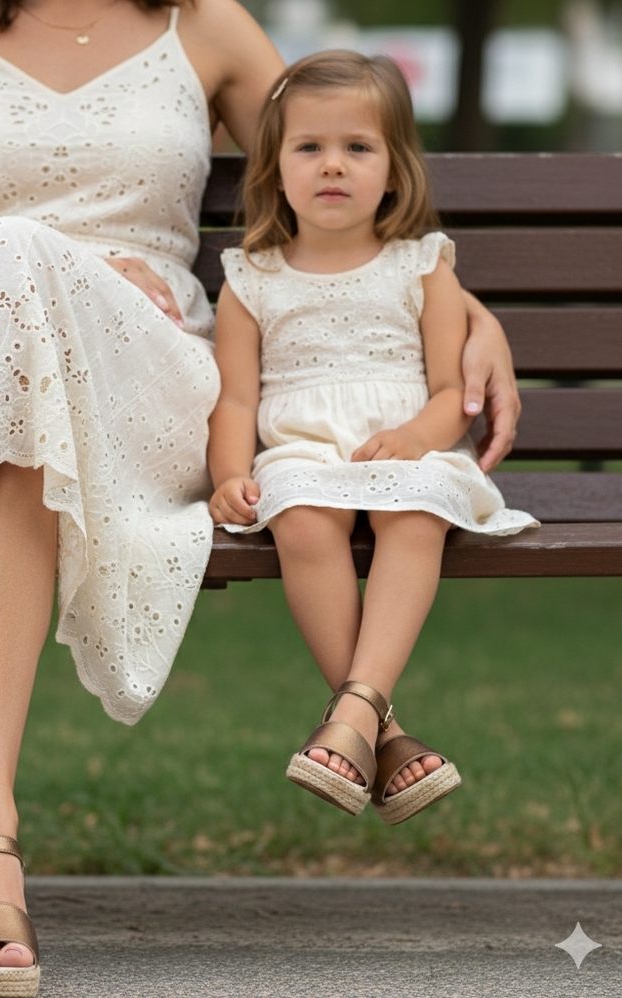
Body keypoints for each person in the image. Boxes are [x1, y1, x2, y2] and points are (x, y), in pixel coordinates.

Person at [0, 3, 521, 996]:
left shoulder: (208, 23)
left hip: (141, 369)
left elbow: (343, 164)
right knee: (13, 298)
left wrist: (467, 310)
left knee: (21, 297)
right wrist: (57, 280)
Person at [207, 51, 537, 826]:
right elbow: (235, 399)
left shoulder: (423, 266)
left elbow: (454, 389)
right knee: (301, 517)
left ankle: (353, 711)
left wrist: (418, 436)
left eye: (358, 148)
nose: (332, 166)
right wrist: (228, 472)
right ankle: (376, 730)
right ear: (275, 169)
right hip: (303, 449)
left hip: (408, 449)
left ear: (394, 171)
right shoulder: (251, 279)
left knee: (413, 514)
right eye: (309, 148)